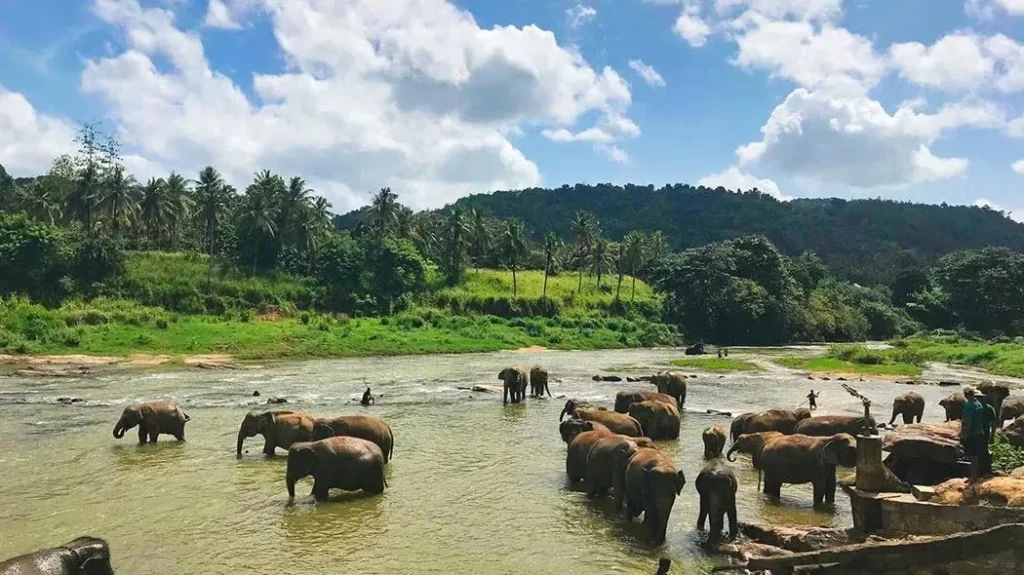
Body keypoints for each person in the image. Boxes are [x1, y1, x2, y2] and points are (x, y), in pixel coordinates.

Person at [961, 386, 994, 480]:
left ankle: (973, 476)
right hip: (981, 433)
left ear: (966, 394)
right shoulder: (978, 404)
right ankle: (977, 475)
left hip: (973, 433)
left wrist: (964, 435)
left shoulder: (969, 405)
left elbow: (968, 421)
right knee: (978, 455)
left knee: (973, 456)